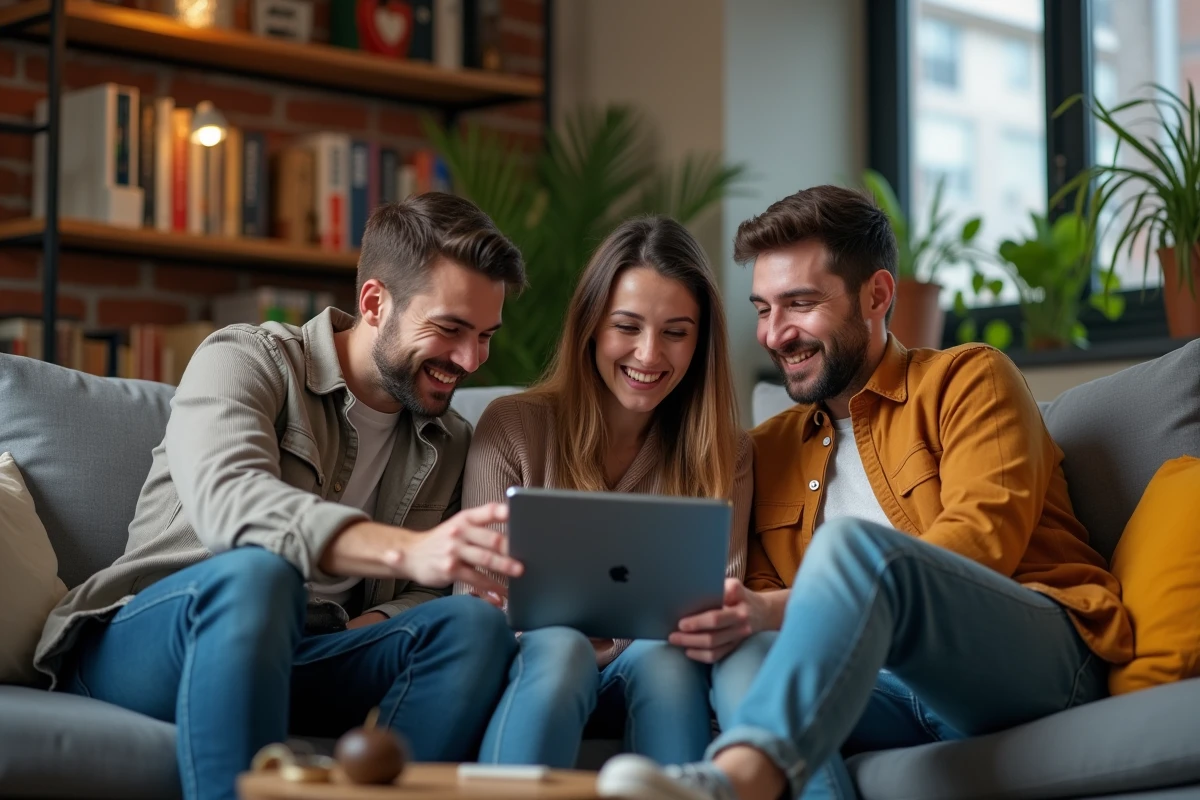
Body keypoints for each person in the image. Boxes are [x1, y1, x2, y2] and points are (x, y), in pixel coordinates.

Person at [596, 185, 1133, 800]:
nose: (774, 334)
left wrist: (776, 608)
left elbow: (984, 544)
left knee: (851, 548)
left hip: (1028, 659)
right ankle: (746, 775)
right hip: (886, 688)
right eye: (763, 309)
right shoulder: (767, 449)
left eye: (799, 304)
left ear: (876, 295)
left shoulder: (968, 379)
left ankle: (738, 780)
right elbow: (765, 597)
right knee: (746, 657)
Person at [34, 194, 530, 800]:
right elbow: (231, 502)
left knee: (472, 626)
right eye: (450, 329)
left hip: (310, 651)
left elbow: (430, 588)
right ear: (375, 303)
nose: (470, 359)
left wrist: (371, 625)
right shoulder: (246, 358)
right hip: (164, 637)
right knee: (261, 575)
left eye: (485, 336)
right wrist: (404, 550)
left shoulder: (449, 439)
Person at [457, 216, 754, 768]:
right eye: (627, 326)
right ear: (591, 324)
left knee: (667, 660)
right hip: (532, 666)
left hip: (652, 668)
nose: (649, 354)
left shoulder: (726, 452)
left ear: (700, 342)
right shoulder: (513, 426)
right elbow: (479, 596)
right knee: (561, 648)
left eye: (676, 332)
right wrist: (591, 639)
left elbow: (715, 600)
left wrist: (611, 644)